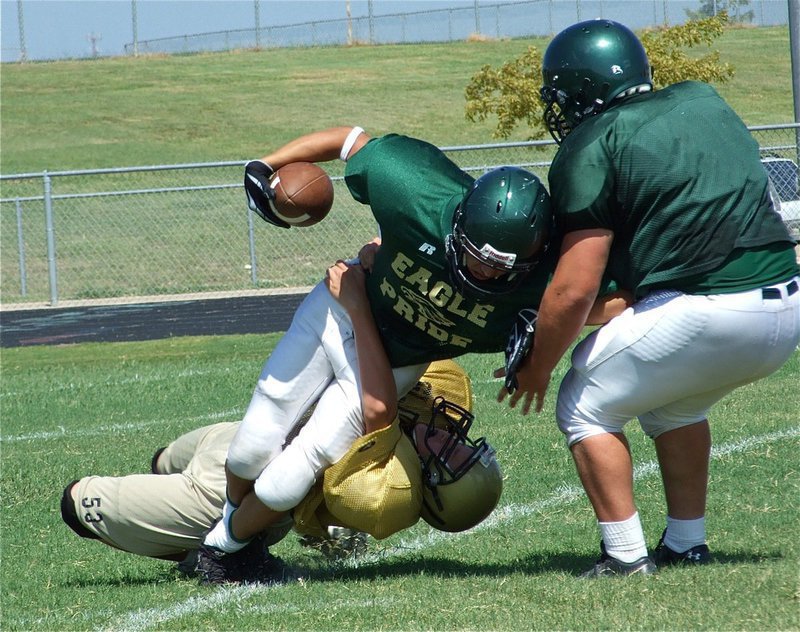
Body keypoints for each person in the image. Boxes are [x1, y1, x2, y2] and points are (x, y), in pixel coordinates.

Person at [200, 126, 633, 581]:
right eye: (474, 255)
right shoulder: (416, 189)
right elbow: (350, 141)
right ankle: (233, 523)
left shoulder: (545, 285)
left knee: (295, 470)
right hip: (336, 310)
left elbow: (610, 296)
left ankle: (224, 548)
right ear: (458, 221)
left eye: (499, 268)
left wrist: (546, 328)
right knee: (251, 447)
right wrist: (266, 163)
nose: (481, 272)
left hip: (393, 363)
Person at [501, 19, 800, 578]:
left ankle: (624, 555)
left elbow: (575, 287)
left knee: (583, 401)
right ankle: (687, 543)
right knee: (675, 404)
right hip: (785, 304)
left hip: (713, 309)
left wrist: (539, 364)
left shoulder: (591, 143)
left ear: (579, 91)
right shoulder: (702, 100)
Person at [61, 254, 502, 584]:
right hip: (241, 440)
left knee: (77, 501)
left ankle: (201, 546)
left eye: (455, 457)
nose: (456, 440)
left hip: (236, 498)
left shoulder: (390, 495)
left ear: (430, 485)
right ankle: (181, 515)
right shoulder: (445, 400)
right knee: (161, 460)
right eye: (467, 446)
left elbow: (368, 418)